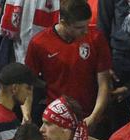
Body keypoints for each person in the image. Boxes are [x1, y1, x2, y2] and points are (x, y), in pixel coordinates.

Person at [24, 0, 110, 129]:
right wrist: (26, 114)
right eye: (79, 27)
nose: (86, 31)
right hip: (56, 119)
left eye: (87, 25)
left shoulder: (96, 38)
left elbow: (104, 83)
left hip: (89, 117)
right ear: (63, 22)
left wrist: (94, 116)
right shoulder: (39, 43)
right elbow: (27, 84)